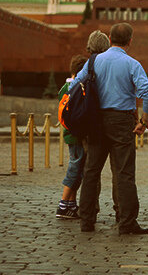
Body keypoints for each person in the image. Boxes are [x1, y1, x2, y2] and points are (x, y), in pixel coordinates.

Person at [72, 23, 148, 235]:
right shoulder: (132, 63)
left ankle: (87, 221)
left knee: (91, 171)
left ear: (109, 38)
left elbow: (75, 85)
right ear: (130, 41)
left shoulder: (94, 61)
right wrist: (143, 121)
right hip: (121, 121)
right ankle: (127, 223)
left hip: (97, 120)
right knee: (124, 173)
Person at [55, 52, 93, 219]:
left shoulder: (65, 88)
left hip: (69, 133)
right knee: (76, 166)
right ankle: (63, 204)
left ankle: (71, 204)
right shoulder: (77, 87)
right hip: (76, 134)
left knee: (78, 167)